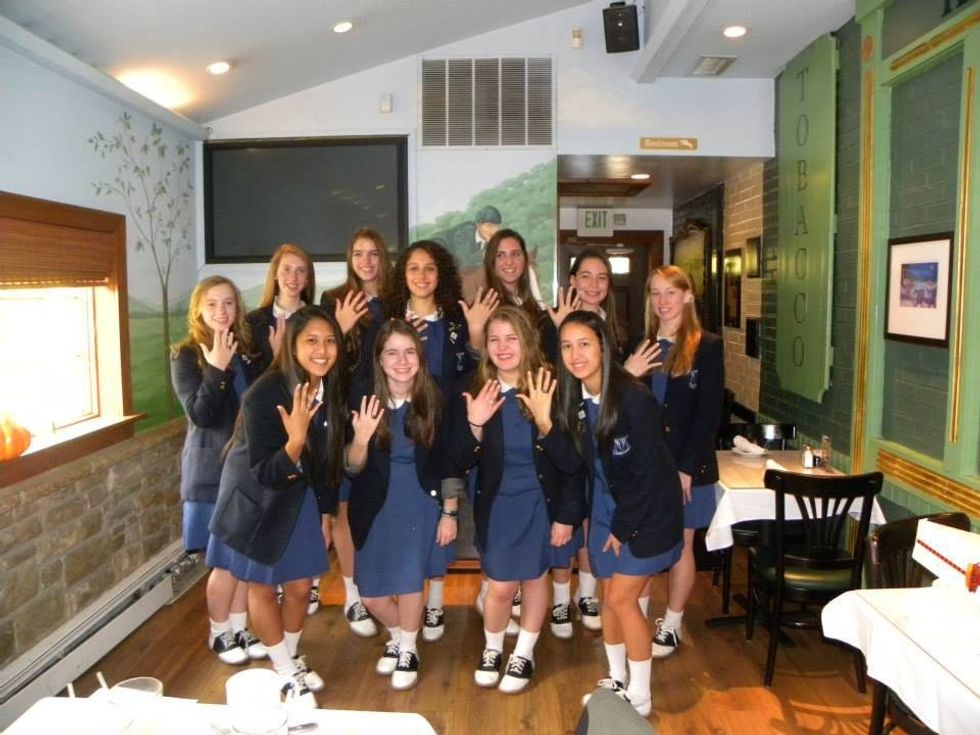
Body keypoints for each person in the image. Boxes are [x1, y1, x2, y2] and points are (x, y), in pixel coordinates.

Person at [208, 306, 347, 706]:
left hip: (301, 497)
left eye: (330, 340)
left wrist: (325, 512)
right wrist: (296, 441)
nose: (322, 350)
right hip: (261, 501)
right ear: (292, 345)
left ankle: (288, 655)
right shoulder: (265, 393)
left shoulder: (329, 388)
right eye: (311, 340)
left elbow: (328, 461)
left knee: (301, 587)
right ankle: (285, 671)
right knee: (264, 586)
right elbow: (266, 472)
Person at [555, 310, 683, 717]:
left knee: (622, 600)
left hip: (647, 513)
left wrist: (623, 527)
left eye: (584, 344)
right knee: (609, 597)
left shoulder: (633, 398)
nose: (575, 355)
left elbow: (648, 473)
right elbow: (575, 464)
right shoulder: (574, 399)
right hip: (605, 508)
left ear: (604, 347)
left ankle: (640, 695)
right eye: (567, 346)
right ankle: (615, 678)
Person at [452, 307, 585, 693]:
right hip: (498, 506)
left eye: (511, 338)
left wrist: (566, 516)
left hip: (542, 503)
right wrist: (475, 423)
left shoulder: (552, 385)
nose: (503, 347)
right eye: (494, 339)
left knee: (535, 579)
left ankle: (524, 653)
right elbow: (458, 460)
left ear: (527, 341)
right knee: (499, 586)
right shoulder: (477, 388)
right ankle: (493, 648)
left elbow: (573, 464)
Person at [346, 319, 458, 690]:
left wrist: (450, 512)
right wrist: (360, 440)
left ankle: (408, 648)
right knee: (372, 594)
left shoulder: (435, 397)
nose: (402, 361)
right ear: (379, 359)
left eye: (410, 352)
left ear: (420, 358)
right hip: (375, 505)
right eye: (392, 353)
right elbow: (351, 468)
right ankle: (398, 635)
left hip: (420, 502)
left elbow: (449, 462)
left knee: (411, 581)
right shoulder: (362, 398)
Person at [384, 240, 482, 641]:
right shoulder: (391, 320)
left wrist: (476, 337)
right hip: (404, 427)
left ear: (440, 274)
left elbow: (472, 370)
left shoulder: (457, 319)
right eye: (413, 268)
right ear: (403, 275)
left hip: (447, 424)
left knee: (445, 510)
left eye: (430, 268)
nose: (422, 276)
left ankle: (436, 601)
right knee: (411, 514)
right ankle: (409, 600)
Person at [170, 276, 264, 665]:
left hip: (246, 471)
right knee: (224, 562)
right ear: (198, 310)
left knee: (240, 558)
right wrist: (216, 370)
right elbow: (201, 415)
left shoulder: (247, 352)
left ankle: (240, 627)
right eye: (212, 304)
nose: (221, 311)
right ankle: (218, 631)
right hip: (212, 474)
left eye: (228, 303)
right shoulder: (185, 356)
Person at [640, 265, 723, 658]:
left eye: (670, 292)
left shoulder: (706, 346)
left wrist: (686, 468)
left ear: (688, 296)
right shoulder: (643, 345)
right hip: (648, 466)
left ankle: (672, 624)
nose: (663, 301)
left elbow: (708, 413)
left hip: (687, 465)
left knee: (681, 544)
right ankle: (636, 617)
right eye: (656, 293)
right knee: (641, 541)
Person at [318, 227, 393, 637]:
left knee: (385, 501)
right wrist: (340, 329)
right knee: (345, 508)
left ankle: (387, 586)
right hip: (347, 416)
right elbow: (321, 361)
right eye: (359, 253)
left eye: (373, 253)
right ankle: (352, 595)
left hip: (391, 415)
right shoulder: (334, 300)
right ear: (350, 258)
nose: (366, 261)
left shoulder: (397, 300)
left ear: (383, 258)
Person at [247, 243, 317, 370]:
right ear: (275, 273)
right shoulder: (252, 322)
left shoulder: (319, 319)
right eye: (287, 269)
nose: (293, 277)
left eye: (301, 271)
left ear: (307, 279)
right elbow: (252, 375)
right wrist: (277, 356)